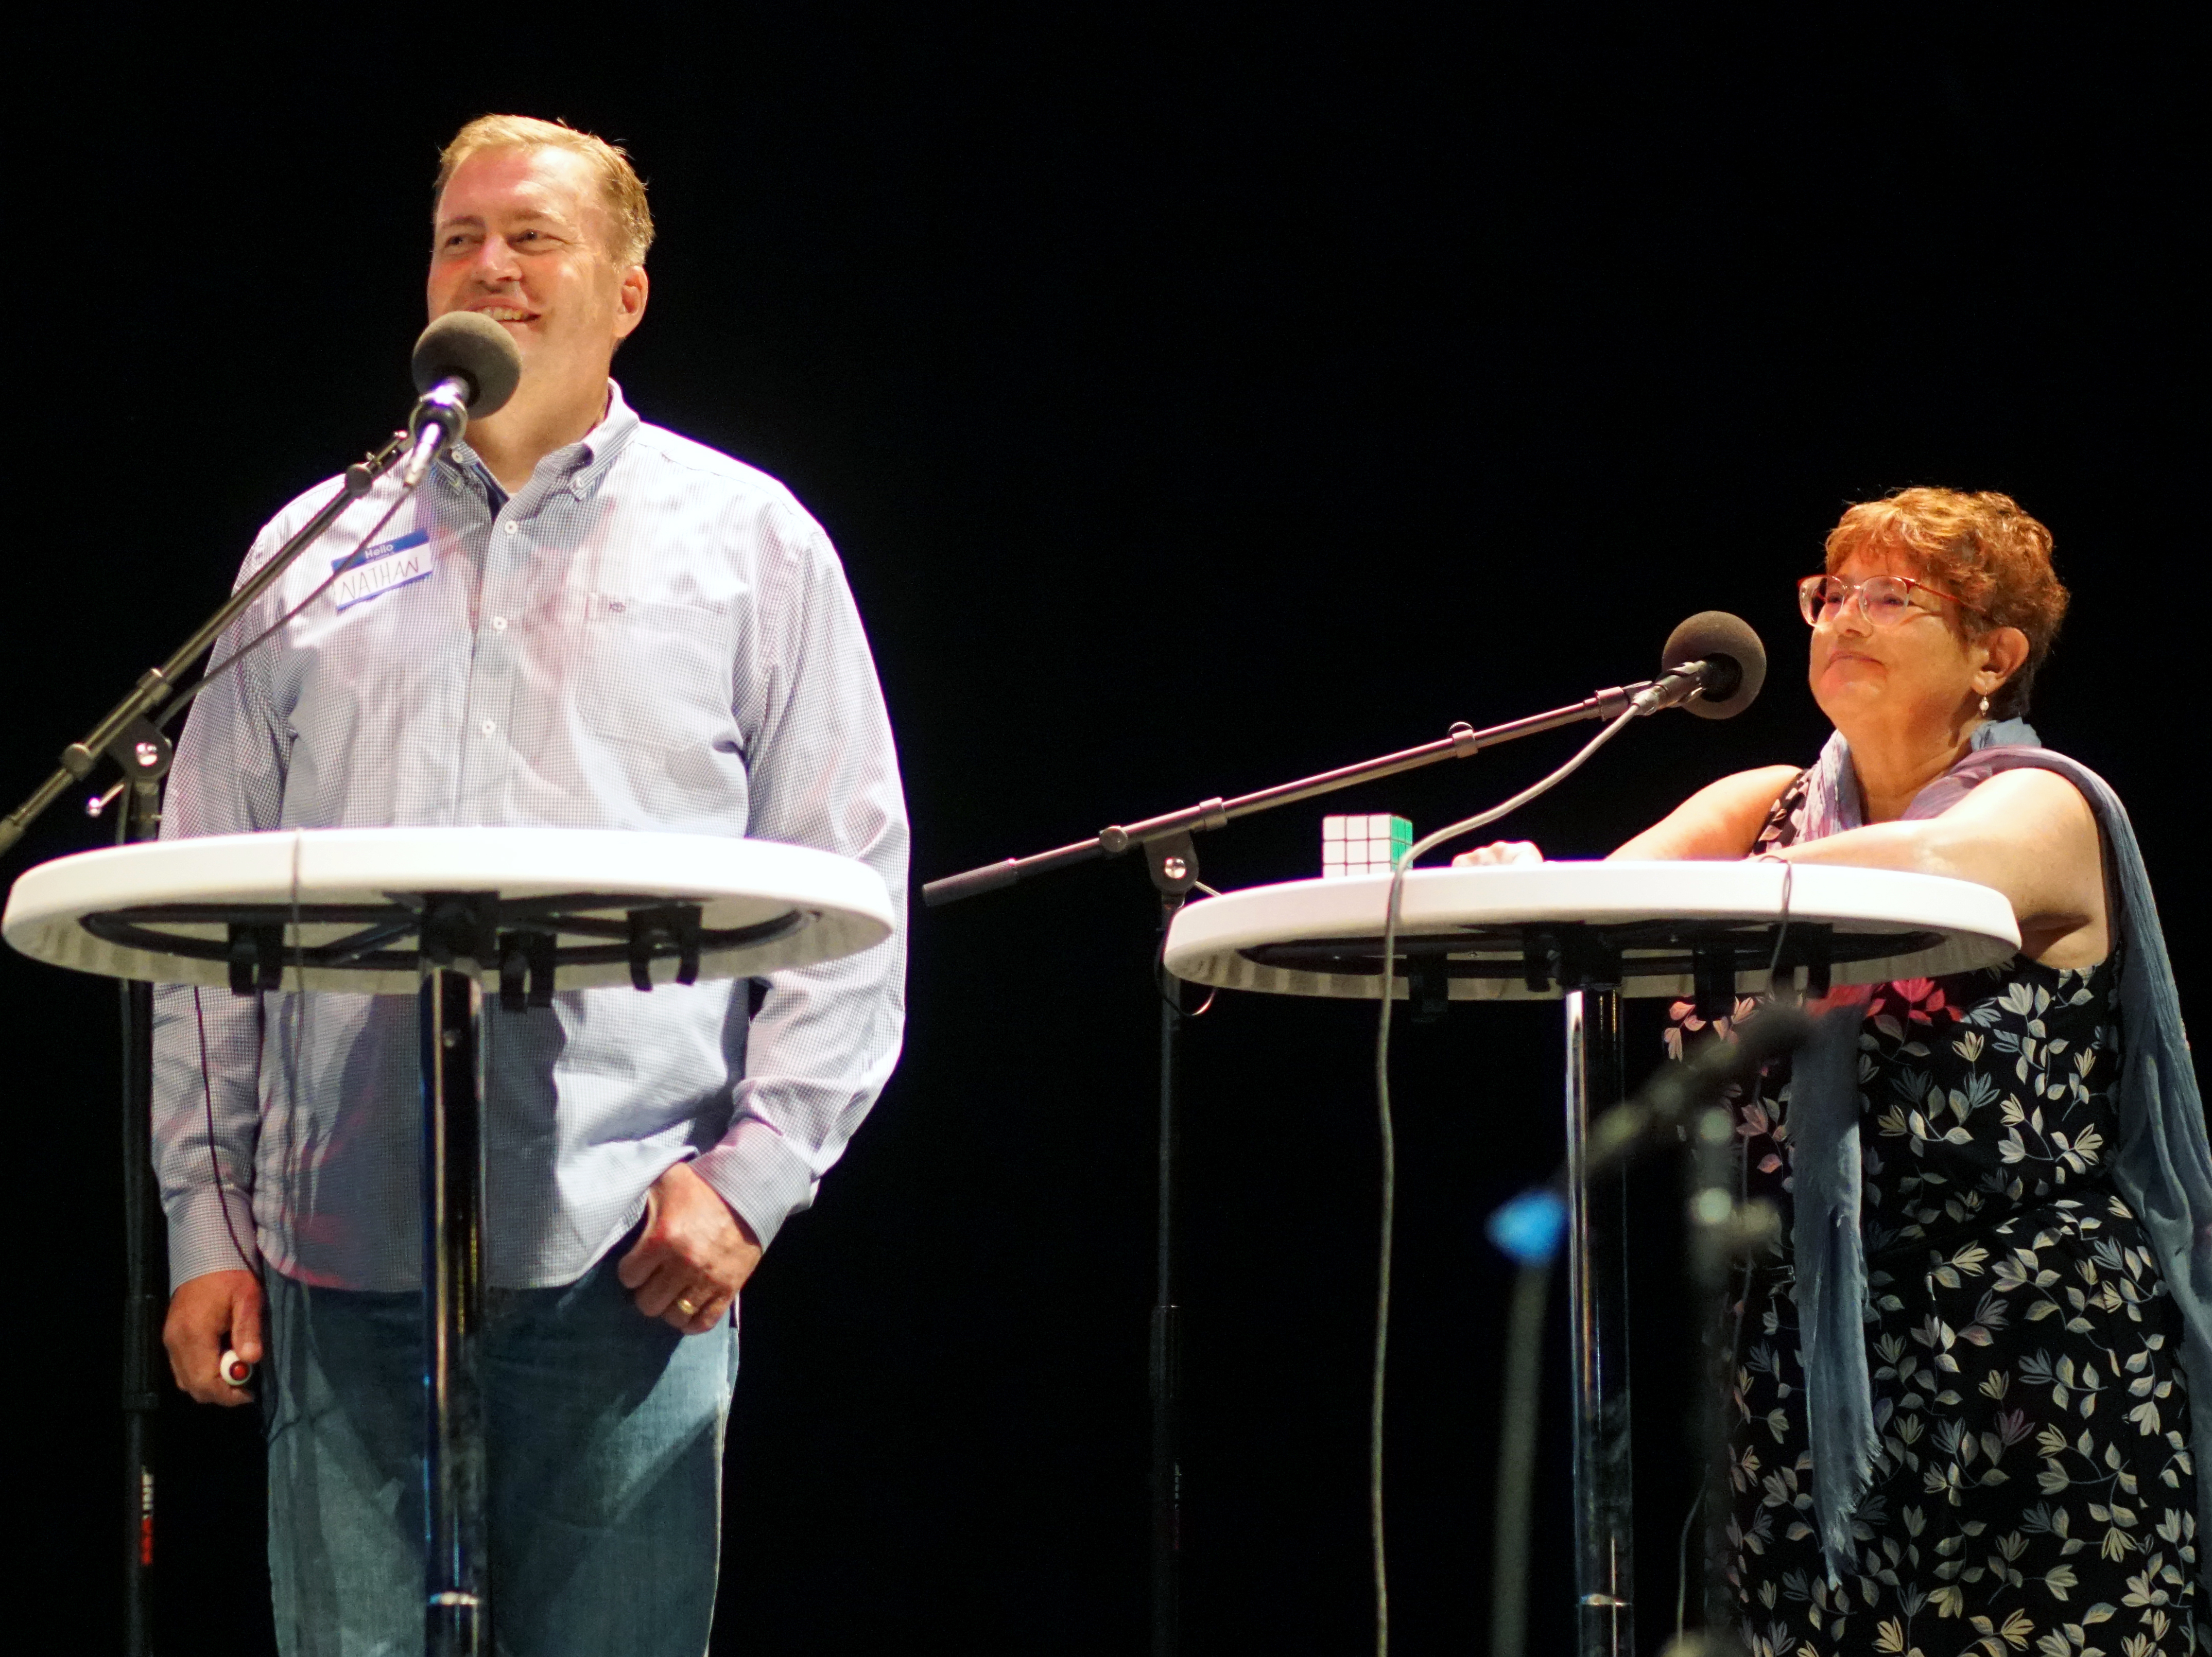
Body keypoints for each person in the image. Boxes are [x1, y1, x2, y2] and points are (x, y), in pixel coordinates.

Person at [150, 115, 908, 1655]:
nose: (487, 266)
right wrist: (203, 1222)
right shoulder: (310, 547)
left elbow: (854, 887)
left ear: (627, 292)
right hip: (333, 1254)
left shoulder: (748, 543)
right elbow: (203, 920)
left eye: (534, 238)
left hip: (627, 1257)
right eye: (458, 239)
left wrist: (754, 1176)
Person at [1461, 488, 2207, 1653]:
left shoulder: (2045, 805)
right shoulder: (1753, 808)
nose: (1845, 618)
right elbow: (1596, 911)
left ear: (1991, 655)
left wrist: (1655, 895)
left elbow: (1934, 867)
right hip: (1795, 1353)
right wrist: (1518, 878)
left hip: (2020, 1351)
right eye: (1832, 593)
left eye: (1893, 597)